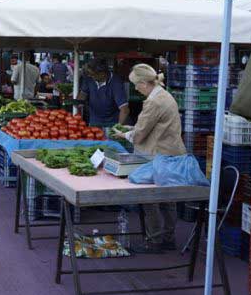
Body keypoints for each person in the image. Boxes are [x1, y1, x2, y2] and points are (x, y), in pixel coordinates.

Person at [114, 64, 187, 254]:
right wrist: (133, 129)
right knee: (168, 198)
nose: (135, 88)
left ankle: (154, 240)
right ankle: (168, 238)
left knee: (150, 198)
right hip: (171, 153)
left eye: (136, 84)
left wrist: (125, 134)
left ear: (144, 83)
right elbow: (154, 126)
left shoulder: (153, 102)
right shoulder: (165, 96)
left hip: (156, 155)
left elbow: (140, 135)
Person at [78, 58, 129, 128]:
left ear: (102, 73)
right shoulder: (89, 79)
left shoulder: (116, 83)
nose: (90, 76)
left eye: (92, 74)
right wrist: (79, 102)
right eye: (89, 74)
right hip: (94, 121)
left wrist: (118, 127)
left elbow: (124, 109)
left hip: (112, 122)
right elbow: (83, 94)